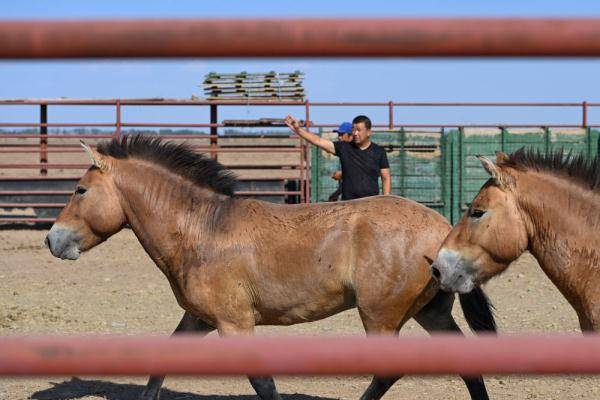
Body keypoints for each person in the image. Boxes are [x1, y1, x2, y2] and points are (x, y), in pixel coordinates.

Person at [285, 114, 391, 200]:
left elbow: (385, 178)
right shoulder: (344, 148)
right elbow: (318, 140)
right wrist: (298, 129)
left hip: (370, 205)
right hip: (348, 206)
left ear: (368, 132)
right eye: (353, 129)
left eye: (358, 130)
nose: (355, 133)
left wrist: (386, 200)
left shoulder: (379, 152)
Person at [328, 122, 353, 202]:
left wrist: (342, 174)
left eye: (342, 134)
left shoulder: (355, 150)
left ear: (350, 135)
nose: (339, 137)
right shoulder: (343, 150)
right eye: (339, 134)